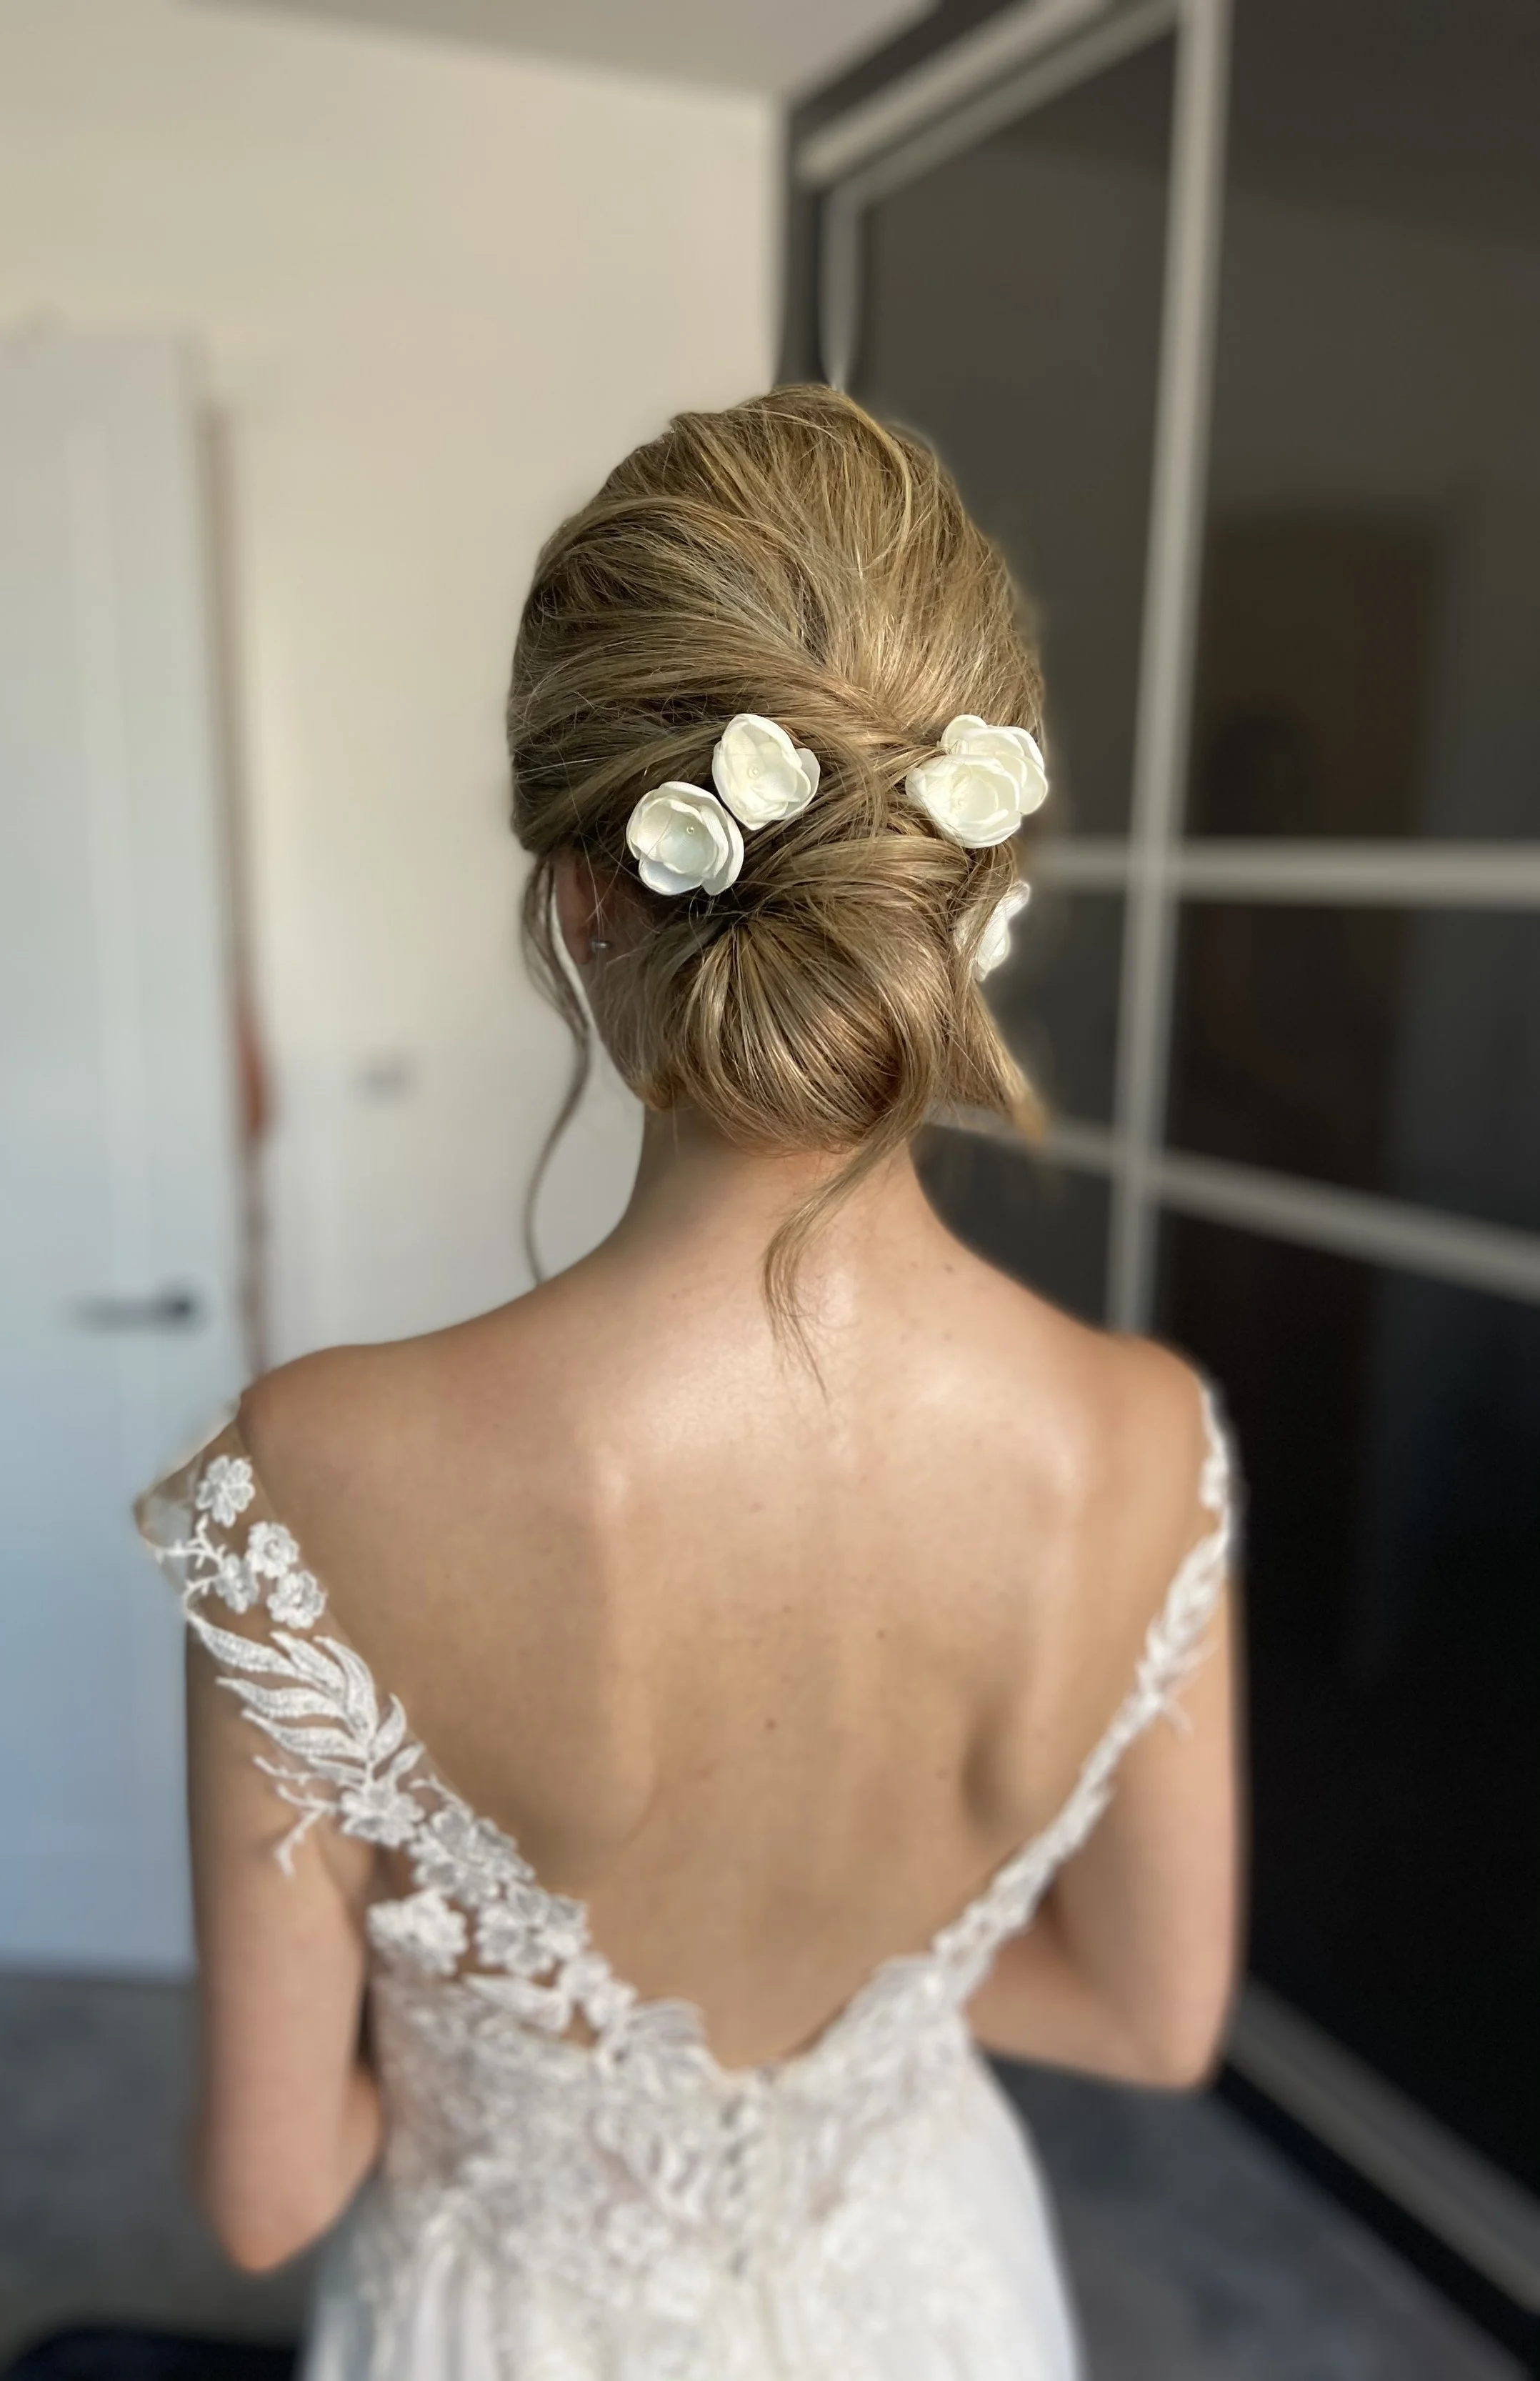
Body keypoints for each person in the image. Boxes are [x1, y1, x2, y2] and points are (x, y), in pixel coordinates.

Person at [137, 386, 1241, 2380]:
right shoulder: (1145, 1444)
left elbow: (266, 2188)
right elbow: (1154, 2020)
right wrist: (862, 2010)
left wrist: (511, 2064)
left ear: (578, 891)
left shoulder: (311, 1476)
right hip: (933, 2300)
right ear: (973, 884)